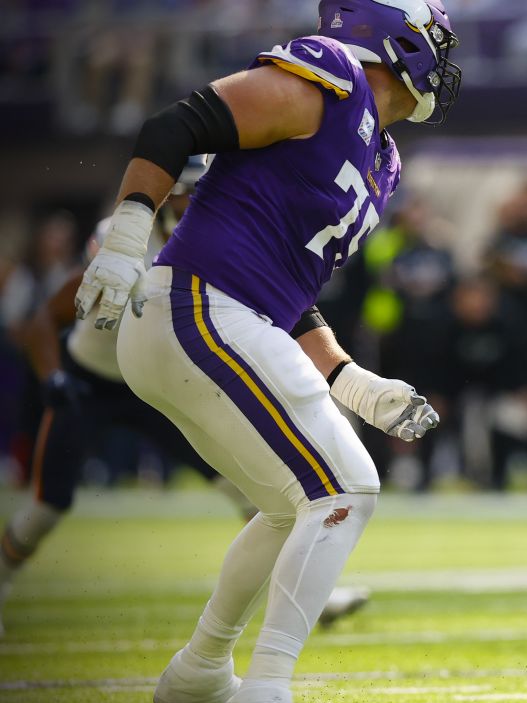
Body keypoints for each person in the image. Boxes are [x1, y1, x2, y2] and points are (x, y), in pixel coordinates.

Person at [72, 1, 459, 703]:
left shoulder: (384, 157)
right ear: (395, 36)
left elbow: (290, 283)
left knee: (293, 507)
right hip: (197, 303)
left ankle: (200, 670)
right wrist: (128, 235)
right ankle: (267, 693)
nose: (445, 55)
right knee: (346, 490)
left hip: (226, 317)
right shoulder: (333, 74)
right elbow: (174, 125)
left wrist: (349, 380)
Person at [0, 157, 370, 639]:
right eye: (192, 191)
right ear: (168, 192)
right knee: (48, 505)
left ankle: (309, 595)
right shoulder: (124, 237)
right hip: (90, 380)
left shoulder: (224, 236)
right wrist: (53, 378)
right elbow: (46, 320)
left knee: (252, 491)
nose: (200, 201)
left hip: (158, 384)